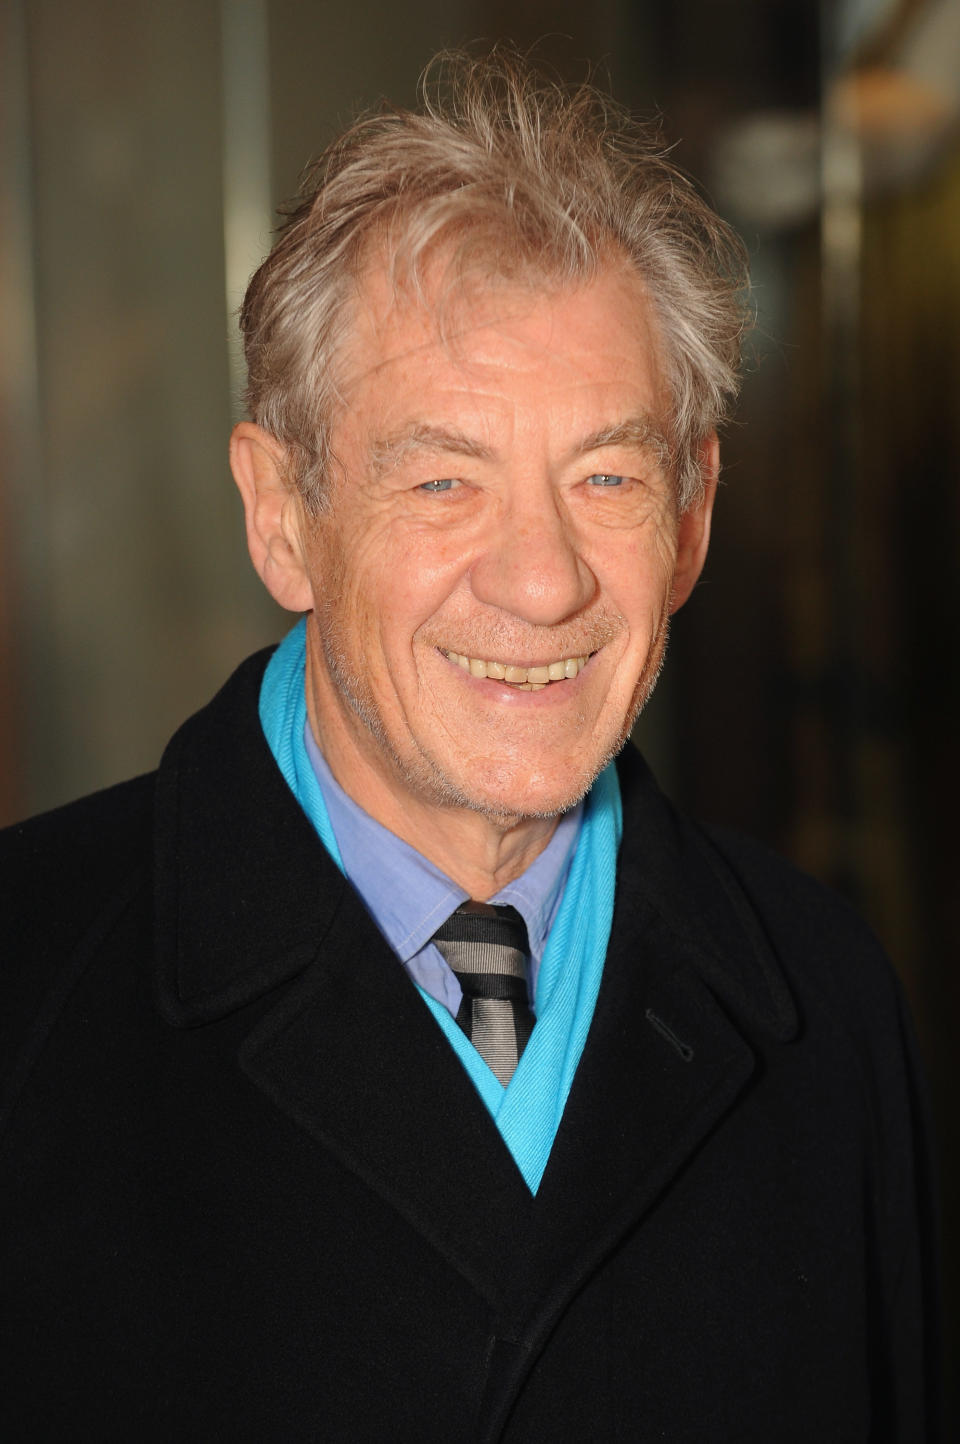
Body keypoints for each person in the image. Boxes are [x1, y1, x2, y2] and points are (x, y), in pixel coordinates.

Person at [0, 49, 940, 1442]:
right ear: (283, 515)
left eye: (607, 476)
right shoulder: (25, 987)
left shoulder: (826, 997)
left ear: (690, 521)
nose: (543, 579)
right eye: (444, 478)